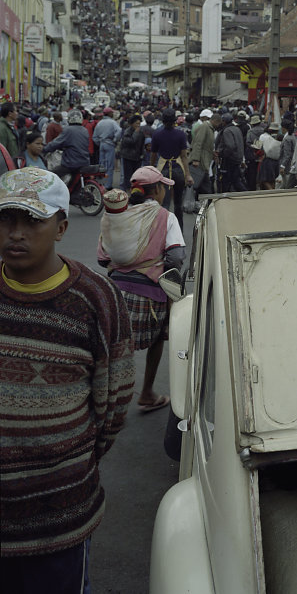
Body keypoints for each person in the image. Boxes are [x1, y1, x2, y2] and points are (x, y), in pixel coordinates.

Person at [0, 167, 134, 591]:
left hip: (59, 517)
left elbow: (113, 404)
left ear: (61, 227)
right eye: (6, 220)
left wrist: (69, 459)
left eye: (32, 221)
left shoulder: (95, 297)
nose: (15, 234)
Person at [97, 165, 185, 413]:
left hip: (113, 294)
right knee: (159, 336)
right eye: (163, 188)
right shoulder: (166, 217)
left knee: (113, 346)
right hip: (149, 297)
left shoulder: (116, 215)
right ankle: (146, 392)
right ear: (156, 190)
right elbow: (176, 257)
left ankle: (106, 399)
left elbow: (103, 259)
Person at [150, 108, 193, 231]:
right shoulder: (180, 134)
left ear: (163, 121)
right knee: (178, 204)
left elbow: (153, 155)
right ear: (175, 121)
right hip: (178, 169)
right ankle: (179, 231)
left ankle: (163, 231)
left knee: (164, 203)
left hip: (163, 169)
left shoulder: (157, 134)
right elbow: (184, 156)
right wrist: (188, 175)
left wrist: (152, 169)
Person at [42, 109, 91, 186]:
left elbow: (55, 143)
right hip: (85, 162)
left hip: (71, 163)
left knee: (51, 175)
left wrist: (44, 149)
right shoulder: (84, 130)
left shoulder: (68, 130)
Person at [188, 111, 222, 205]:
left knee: (202, 184)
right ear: (215, 121)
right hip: (201, 161)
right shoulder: (205, 127)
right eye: (218, 123)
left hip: (205, 160)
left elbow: (207, 145)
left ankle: (202, 203)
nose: (218, 126)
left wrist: (213, 153)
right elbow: (198, 143)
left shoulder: (209, 128)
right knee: (205, 185)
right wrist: (196, 159)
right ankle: (209, 204)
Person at [92, 107, 122, 189]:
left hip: (102, 145)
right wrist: (115, 140)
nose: (113, 114)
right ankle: (108, 185)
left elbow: (94, 137)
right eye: (111, 113)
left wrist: (100, 143)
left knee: (102, 165)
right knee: (109, 166)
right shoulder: (112, 122)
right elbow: (119, 131)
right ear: (109, 113)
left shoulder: (100, 123)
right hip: (109, 144)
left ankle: (102, 184)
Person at [216, 113, 246, 192]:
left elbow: (230, 146)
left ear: (224, 121)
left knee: (227, 181)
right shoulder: (236, 129)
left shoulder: (227, 131)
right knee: (235, 180)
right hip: (237, 159)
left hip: (230, 160)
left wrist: (223, 154)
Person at [119, 113, 145, 192]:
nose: (138, 125)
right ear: (132, 124)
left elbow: (141, 144)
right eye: (136, 123)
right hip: (128, 157)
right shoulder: (127, 132)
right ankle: (128, 191)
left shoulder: (140, 132)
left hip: (137, 157)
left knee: (137, 177)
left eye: (139, 123)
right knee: (128, 177)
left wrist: (142, 154)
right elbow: (131, 142)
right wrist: (136, 133)